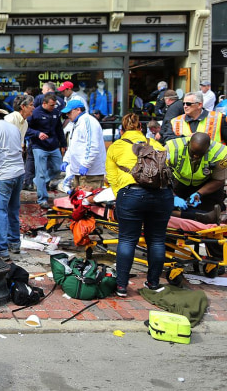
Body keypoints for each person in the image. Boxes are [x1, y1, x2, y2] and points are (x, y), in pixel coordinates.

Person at [106, 113, 173, 297]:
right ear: (141, 129)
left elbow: (111, 177)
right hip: (161, 195)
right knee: (157, 240)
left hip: (131, 194)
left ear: (122, 130)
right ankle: (153, 283)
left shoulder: (116, 146)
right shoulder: (156, 145)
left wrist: (121, 196)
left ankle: (121, 286)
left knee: (127, 239)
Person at [166, 132, 227, 227]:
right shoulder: (171, 148)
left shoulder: (221, 154)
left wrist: (199, 193)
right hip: (179, 182)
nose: (196, 156)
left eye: (200, 154)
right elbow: (160, 176)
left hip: (207, 183)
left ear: (208, 148)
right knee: (168, 207)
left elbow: (218, 180)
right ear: (188, 143)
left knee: (208, 220)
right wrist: (173, 196)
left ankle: (207, 218)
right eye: (193, 152)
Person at [0, 105, 26, 260]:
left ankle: (2, 249)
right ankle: (14, 243)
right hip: (18, 171)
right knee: (13, 209)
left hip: (3, 174)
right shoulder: (13, 128)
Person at [27, 93, 67, 209]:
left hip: (53, 146)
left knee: (57, 169)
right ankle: (42, 199)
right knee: (40, 172)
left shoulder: (55, 112)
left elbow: (59, 128)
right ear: (44, 103)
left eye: (54, 105)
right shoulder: (35, 113)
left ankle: (38, 182)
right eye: (51, 105)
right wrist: (37, 133)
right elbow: (27, 128)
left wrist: (63, 143)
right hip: (39, 147)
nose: (53, 107)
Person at [60, 100, 106, 190]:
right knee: (79, 201)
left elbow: (92, 146)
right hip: (79, 173)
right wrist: (66, 160)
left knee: (88, 201)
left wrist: (86, 164)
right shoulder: (76, 123)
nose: (67, 115)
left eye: (69, 112)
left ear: (78, 110)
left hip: (90, 174)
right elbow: (73, 146)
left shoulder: (88, 122)